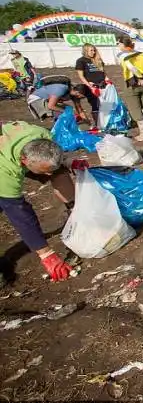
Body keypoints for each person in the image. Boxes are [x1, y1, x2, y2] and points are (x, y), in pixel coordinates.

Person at [0, 122, 75, 284]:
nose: (48, 174)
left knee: (58, 172)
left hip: (14, 147)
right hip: (3, 165)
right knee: (6, 202)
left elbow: (56, 164)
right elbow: (20, 214)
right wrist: (46, 255)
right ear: (24, 160)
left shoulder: (42, 135)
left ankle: (75, 209)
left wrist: (69, 162)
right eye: (44, 170)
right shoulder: (5, 172)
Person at [118, 36, 143, 141]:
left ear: (122, 45)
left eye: (119, 44)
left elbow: (131, 67)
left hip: (132, 84)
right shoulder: (142, 54)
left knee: (135, 109)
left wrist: (139, 78)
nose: (118, 46)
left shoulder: (122, 55)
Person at [75, 43, 112, 129]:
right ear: (85, 51)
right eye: (91, 50)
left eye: (94, 50)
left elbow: (103, 72)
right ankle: (98, 125)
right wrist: (89, 86)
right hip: (92, 87)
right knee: (96, 105)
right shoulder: (81, 61)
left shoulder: (97, 59)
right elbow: (81, 76)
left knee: (106, 104)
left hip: (103, 85)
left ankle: (107, 123)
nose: (93, 52)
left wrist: (108, 81)